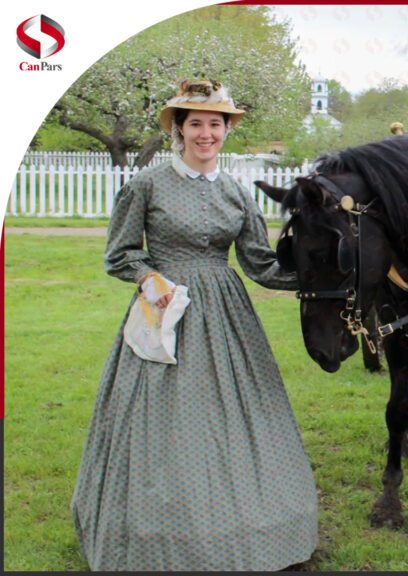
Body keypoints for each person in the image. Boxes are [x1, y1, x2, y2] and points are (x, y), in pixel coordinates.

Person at [70, 80, 318, 571]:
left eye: (215, 125)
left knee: (237, 415)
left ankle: (255, 521)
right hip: (165, 310)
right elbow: (119, 253)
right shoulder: (147, 185)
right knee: (164, 418)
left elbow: (259, 263)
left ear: (226, 131)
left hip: (227, 317)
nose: (206, 134)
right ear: (178, 131)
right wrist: (148, 278)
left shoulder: (234, 191)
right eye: (196, 124)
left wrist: (319, 278)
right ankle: (152, 531)